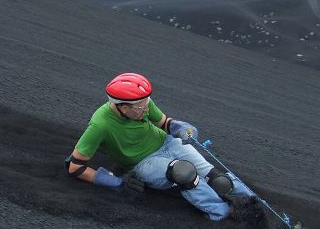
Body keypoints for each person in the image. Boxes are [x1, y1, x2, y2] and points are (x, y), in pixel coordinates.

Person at [65, 72, 259, 222]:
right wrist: (116, 182)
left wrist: (180, 127)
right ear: (123, 108)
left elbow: (164, 122)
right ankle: (222, 216)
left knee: (219, 181)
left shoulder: (140, 105)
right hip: (142, 162)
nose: (147, 109)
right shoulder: (100, 125)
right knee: (184, 173)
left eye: (146, 104)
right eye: (142, 107)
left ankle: (256, 205)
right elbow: (75, 166)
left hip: (168, 143)